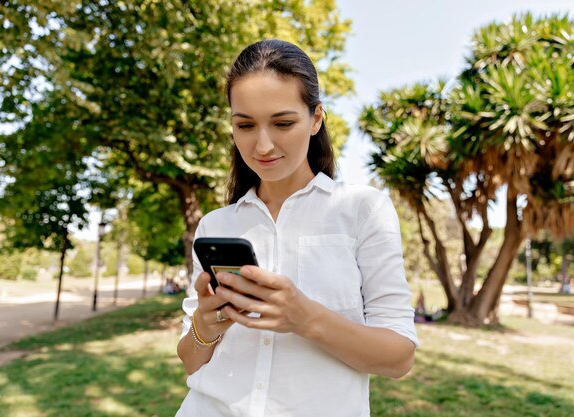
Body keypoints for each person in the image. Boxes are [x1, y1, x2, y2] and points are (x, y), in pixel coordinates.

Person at [176, 39, 418, 417]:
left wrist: (306, 318)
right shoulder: (216, 224)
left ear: (316, 118)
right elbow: (191, 362)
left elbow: (399, 358)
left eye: (283, 122)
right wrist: (205, 325)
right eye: (245, 125)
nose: (263, 145)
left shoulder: (362, 209)